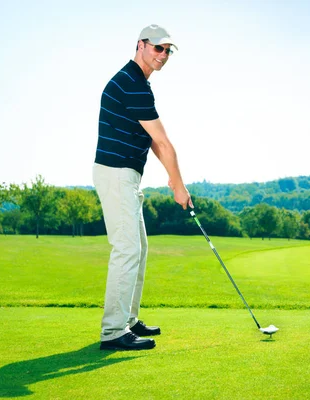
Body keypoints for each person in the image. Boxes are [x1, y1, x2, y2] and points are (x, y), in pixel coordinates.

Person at [93, 24, 193, 351]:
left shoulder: (136, 83)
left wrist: (172, 178)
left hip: (126, 175)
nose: (163, 55)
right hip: (117, 173)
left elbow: (151, 140)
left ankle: (129, 319)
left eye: (168, 51)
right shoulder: (133, 84)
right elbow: (163, 143)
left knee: (140, 248)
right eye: (158, 48)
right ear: (141, 45)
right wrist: (178, 186)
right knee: (127, 249)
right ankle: (113, 332)